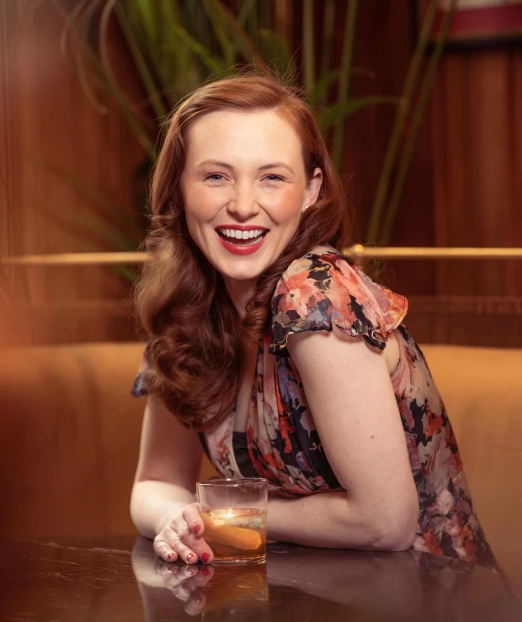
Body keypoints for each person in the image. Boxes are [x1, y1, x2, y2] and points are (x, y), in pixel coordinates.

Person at [130, 72, 496, 571]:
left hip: (420, 605)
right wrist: (177, 517)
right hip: (293, 602)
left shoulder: (316, 292)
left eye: (272, 177)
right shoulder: (184, 309)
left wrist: (230, 518)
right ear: (179, 186)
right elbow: (154, 484)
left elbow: (384, 522)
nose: (242, 204)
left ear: (310, 191)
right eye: (215, 176)